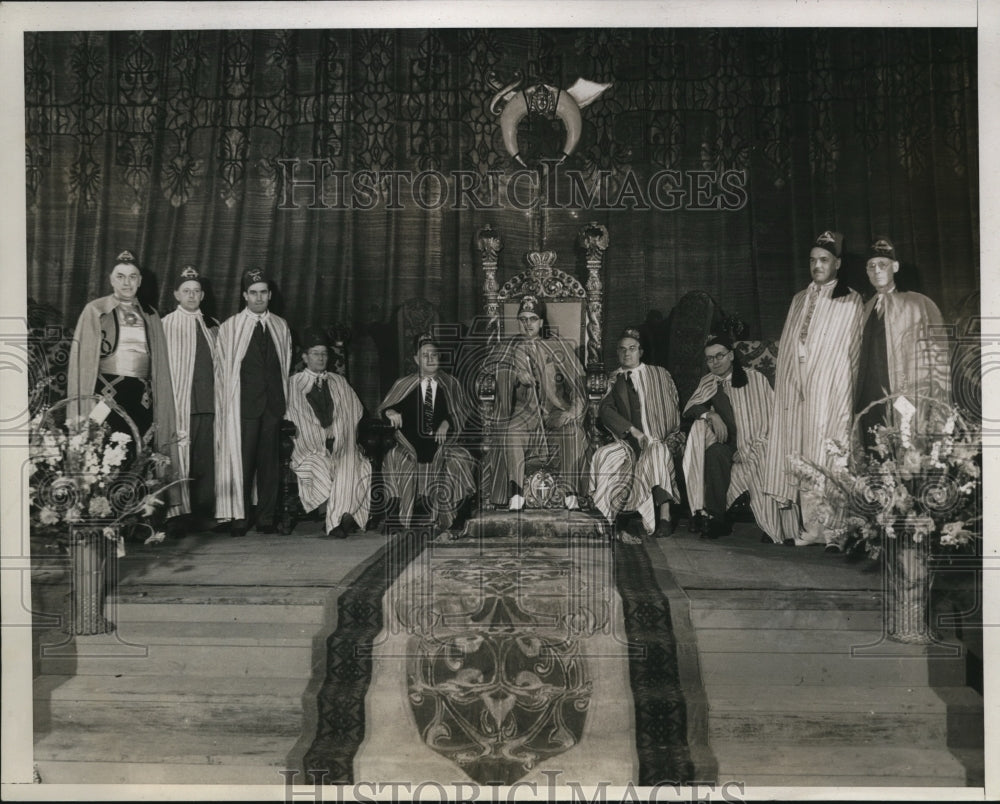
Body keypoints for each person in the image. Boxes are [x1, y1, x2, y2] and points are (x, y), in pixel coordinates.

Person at [762, 230, 864, 550]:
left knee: (830, 455)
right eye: (812, 260)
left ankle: (835, 530)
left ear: (837, 263)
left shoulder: (850, 299)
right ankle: (811, 527)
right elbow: (789, 348)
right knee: (803, 453)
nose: (817, 266)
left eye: (824, 260)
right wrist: (792, 381)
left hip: (832, 389)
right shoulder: (799, 299)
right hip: (799, 386)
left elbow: (852, 351)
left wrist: (841, 389)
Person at [67, 250, 183, 517]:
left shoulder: (150, 315)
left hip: (141, 395)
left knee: (140, 453)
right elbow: (83, 362)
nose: (126, 282)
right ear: (111, 279)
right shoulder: (95, 311)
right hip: (107, 394)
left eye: (132, 277)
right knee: (107, 453)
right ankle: (105, 515)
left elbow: (159, 366)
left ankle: (137, 518)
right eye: (120, 276)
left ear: (140, 281)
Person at [483, 295, 589, 511]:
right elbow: (486, 375)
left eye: (532, 319)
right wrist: (514, 375)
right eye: (523, 319)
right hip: (523, 415)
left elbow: (577, 384)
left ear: (541, 322)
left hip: (554, 412)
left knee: (574, 432)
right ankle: (516, 493)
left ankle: (570, 492)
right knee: (511, 432)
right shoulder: (507, 347)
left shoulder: (557, 346)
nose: (527, 324)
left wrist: (573, 411)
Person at [682, 335, 785, 542]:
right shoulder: (708, 382)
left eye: (719, 356)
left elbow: (772, 417)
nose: (714, 362)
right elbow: (690, 408)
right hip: (728, 444)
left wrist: (747, 447)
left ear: (730, 356)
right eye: (710, 359)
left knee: (762, 457)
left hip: (758, 441)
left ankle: (771, 523)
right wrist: (711, 415)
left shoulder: (754, 378)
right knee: (714, 453)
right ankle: (716, 519)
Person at [215, 268, 292, 538]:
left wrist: (283, 404)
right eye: (253, 293)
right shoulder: (231, 327)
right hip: (244, 406)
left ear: (270, 295)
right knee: (243, 462)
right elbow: (222, 371)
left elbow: (285, 365)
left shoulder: (280, 326)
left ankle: (266, 518)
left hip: (272, 406)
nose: (258, 298)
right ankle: (240, 517)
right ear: (244, 295)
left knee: (269, 465)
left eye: (263, 293)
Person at [855, 236, 951, 450]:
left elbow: (937, 356)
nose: (877, 270)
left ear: (895, 267)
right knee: (876, 456)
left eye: (883, 264)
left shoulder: (917, 304)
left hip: (904, 391)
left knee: (908, 451)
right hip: (871, 398)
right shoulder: (866, 308)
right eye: (871, 266)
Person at [377, 334, 477, 539]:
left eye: (434, 354)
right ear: (416, 359)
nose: (430, 359)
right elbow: (386, 407)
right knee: (394, 457)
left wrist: (447, 422)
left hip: (442, 446)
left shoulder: (451, 384)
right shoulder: (404, 384)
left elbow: (461, 412)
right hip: (410, 446)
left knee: (460, 459)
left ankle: (455, 517)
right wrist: (390, 412)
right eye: (425, 355)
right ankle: (398, 516)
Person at [590, 328, 681, 541]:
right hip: (627, 440)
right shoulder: (613, 380)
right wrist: (632, 430)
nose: (626, 353)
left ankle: (665, 516)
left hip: (656, 436)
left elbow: (673, 404)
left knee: (658, 452)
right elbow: (605, 411)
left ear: (640, 352)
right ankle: (608, 521)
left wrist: (667, 434)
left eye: (632, 349)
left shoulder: (659, 374)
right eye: (622, 349)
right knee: (605, 456)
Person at [287, 329, 371, 539]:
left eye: (324, 353)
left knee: (354, 465)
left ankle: (338, 520)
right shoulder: (293, 384)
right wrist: (319, 432)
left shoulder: (339, 381)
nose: (321, 358)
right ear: (305, 357)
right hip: (309, 446)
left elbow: (354, 410)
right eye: (315, 353)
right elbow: (293, 414)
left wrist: (340, 429)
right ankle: (342, 517)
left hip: (341, 443)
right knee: (322, 466)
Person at [162, 266, 219, 531]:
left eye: (196, 291)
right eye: (186, 291)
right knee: (179, 457)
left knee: (206, 460)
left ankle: (205, 513)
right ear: (176, 294)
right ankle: (178, 514)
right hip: (180, 402)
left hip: (208, 402)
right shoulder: (166, 325)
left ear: (203, 295)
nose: (192, 296)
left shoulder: (212, 326)